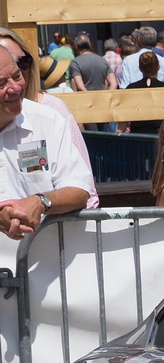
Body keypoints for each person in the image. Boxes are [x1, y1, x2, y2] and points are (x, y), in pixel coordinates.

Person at [0, 46, 94, 241]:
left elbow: (79, 188)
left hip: (44, 264)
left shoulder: (47, 120)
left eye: (17, 76)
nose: (16, 88)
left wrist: (41, 201)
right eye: (1, 83)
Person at [125, 50, 164, 137]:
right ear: (158, 66)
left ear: (140, 68)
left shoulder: (131, 88)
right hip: (161, 138)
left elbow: (122, 122)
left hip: (137, 137)